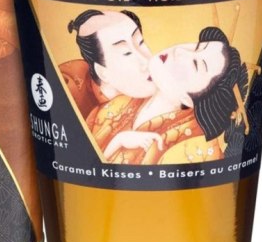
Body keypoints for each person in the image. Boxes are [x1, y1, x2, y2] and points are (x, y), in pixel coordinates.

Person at [103, 26, 249, 164]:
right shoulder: (125, 101)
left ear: (190, 100)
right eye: (197, 46)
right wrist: (119, 140)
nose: (180, 51)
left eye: (196, 64)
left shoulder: (193, 148)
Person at [60, 9, 156, 150]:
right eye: (126, 53)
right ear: (102, 72)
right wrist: (118, 141)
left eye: (141, 43)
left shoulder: (163, 87)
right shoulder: (69, 89)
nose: (146, 61)